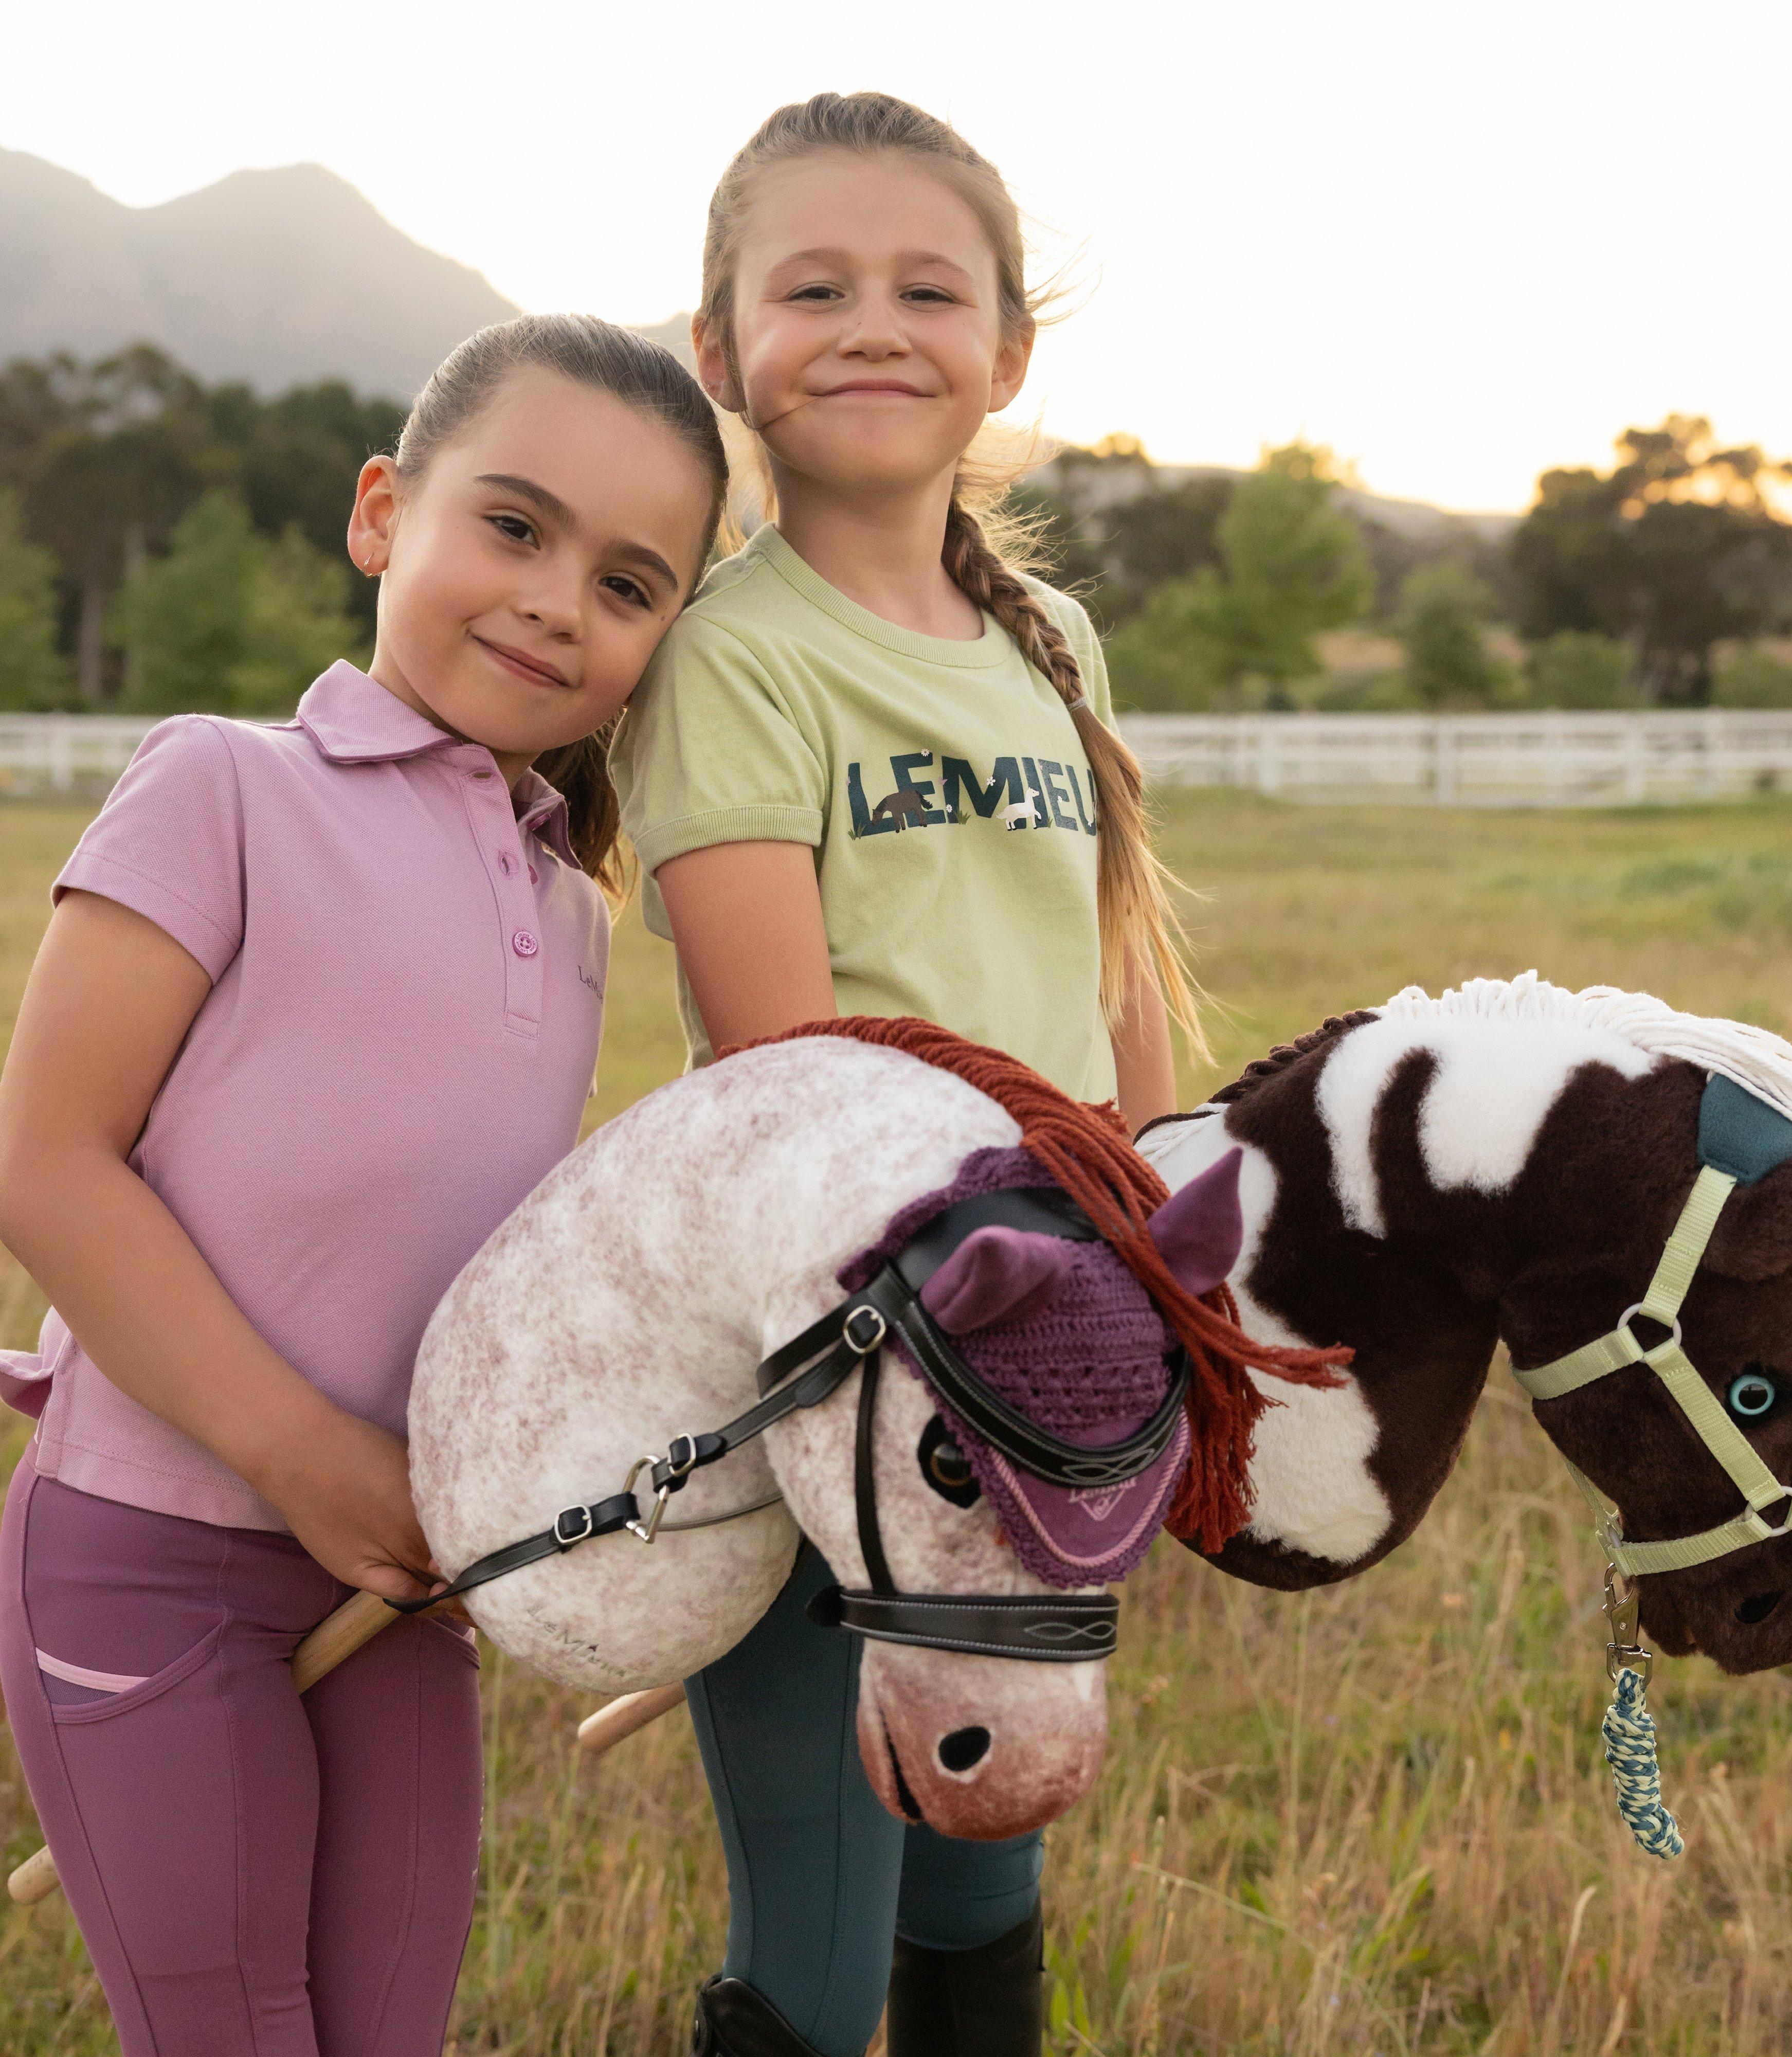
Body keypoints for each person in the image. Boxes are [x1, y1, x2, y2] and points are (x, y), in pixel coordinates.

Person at [0, 314, 727, 2057]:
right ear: (384, 511)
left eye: (628, 585)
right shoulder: (225, 786)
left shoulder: (572, 917)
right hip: (154, 1552)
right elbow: (43, 1158)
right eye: (516, 526)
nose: (556, 602)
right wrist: (299, 1456)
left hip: (391, 1585)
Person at [610, 93, 1204, 2057]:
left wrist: (1159, 1256)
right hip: (846, 1362)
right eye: (815, 289)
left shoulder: (1055, 642)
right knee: (826, 1933)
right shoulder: (735, 658)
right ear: (723, 353)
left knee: (986, 1869)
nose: (874, 324)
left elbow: (1111, 984)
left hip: (1047, 1353)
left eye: (927, 289)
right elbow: (799, 1078)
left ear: (1007, 353)